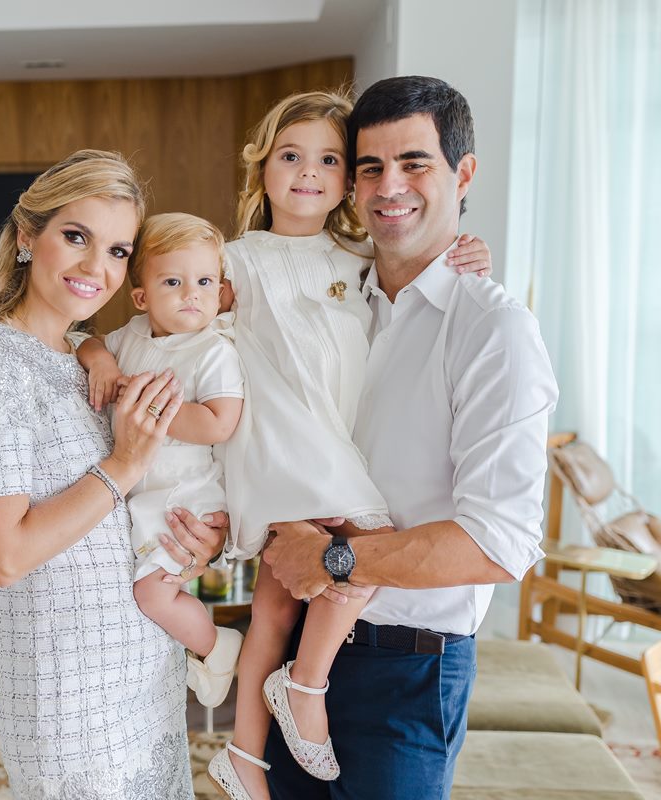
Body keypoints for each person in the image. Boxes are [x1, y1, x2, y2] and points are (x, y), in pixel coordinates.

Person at [260, 76, 560, 800]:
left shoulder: (494, 331)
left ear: (464, 172)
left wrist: (333, 559)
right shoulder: (328, 299)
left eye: (415, 163)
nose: (390, 186)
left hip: (409, 674)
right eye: (369, 167)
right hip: (294, 647)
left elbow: (500, 543)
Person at [203, 90, 492, 800]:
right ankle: (303, 690)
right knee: (361, 554)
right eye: (291, 156)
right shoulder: (230, 261)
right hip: (279, 445)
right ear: (260, 168)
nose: (308, 172)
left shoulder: (359, 257)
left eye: (330, 160)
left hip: (326, 448)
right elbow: (171, 324)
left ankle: (245, 755)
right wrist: (98, 355)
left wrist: (467, 254)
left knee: (278, 602)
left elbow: (417, 270)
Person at [0, 149, 226, 800]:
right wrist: (122, 465)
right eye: (77, 237)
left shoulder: (93, 356)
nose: (96, 267)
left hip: (146, 669)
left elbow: (125, 512)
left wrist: (197, 543)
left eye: (118, 251)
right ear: (28, 236)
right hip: (68, 702)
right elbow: (2, 557)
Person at [77, 212, 246, 709]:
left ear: (220, 291)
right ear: (142, 297)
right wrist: (103, 362)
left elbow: (219, 422)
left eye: (204, 281)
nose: (191, 294)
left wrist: (147, 408)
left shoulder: (212, 350)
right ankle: (188, 661)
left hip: (185, 497)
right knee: (129, 589)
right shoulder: (129, 337)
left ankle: (218, 645)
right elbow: (85, 342)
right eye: (173, 281)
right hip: (141, 491)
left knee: (152, 594)